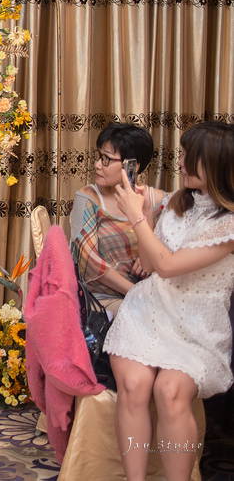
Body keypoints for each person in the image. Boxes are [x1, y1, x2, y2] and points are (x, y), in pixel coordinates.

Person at [105, 122, 234, 481]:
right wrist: (146, 213)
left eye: (187, 155)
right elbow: (149, 265)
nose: (179, 162)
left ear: (216, 164)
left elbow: (168, 266)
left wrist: (134, 216)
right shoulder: (181, 201)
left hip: (197, 326)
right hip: (148, 312)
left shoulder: (229, 226)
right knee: (134, 386)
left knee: (171, 390)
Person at [69, 123, 165, 316]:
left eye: (107, 159)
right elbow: (89, 262)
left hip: (153, 296)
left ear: (133, 166)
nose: (97, 164)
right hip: (101, 299)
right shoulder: (88, 197)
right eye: (99, 156)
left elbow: (172, 247)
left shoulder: (156, 200)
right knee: (146, 317)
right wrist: (135, 293)